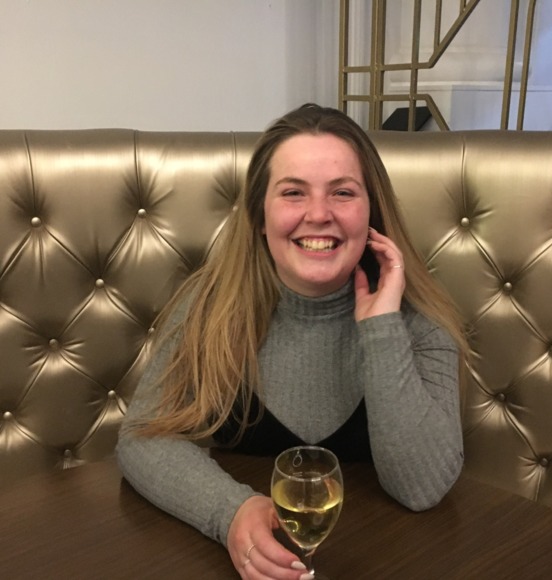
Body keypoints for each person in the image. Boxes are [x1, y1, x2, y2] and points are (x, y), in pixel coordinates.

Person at [116, 103, 468, 580]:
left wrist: (382, 328)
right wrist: (229, 511)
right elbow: (142, 438)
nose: (318, 214)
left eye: (342, 192)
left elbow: (422, 488)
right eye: (293, 192)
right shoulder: (208, 304)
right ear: (261, 215)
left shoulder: (419, 315)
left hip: (389, 560)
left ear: (372, 212)